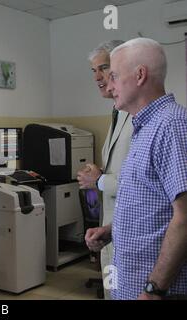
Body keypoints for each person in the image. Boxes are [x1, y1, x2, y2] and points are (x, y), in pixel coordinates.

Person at [85, 38, 187, 300]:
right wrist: (111, 230)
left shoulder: (171, 125)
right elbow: (149, 201)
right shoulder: (145, 127)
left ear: (140, 75)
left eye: (114, 76)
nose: (108, 84)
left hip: (155, 290)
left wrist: (154, 289)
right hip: (132, 284)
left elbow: (185, 217)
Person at [76, 40, 133, 299]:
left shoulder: (138, 115)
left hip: (132, 233)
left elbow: (143, 182)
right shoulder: (117, 112)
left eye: (104, 68)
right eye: (93, 71)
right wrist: (101, 172)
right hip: (112, 227)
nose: (98, 77)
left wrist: (99, 181)